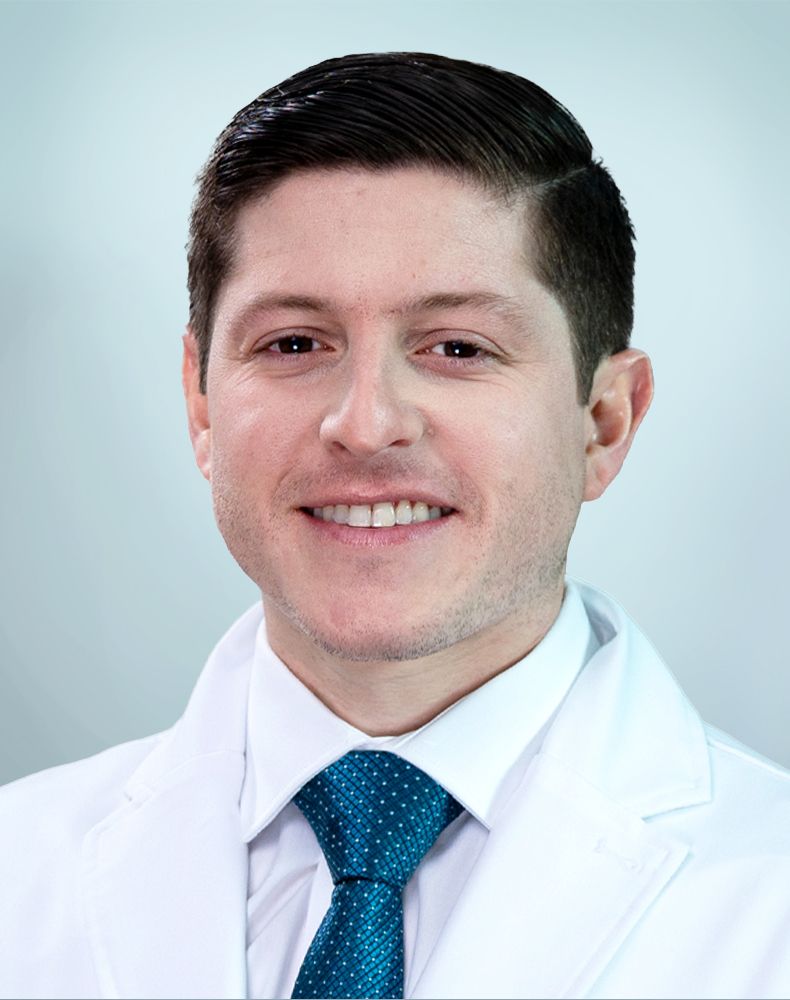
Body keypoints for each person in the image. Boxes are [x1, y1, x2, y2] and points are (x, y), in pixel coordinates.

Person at [1, 51, 788, 1000]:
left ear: (604, 421)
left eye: (458, 347)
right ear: (201, 405)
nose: (366, 424)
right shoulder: (19, 871)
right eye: (294, 343)